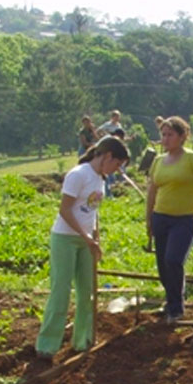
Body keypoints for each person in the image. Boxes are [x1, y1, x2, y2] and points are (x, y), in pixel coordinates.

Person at [36, 136, 129, 361]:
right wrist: (86, 237)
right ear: (106, 156)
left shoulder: (99, 178)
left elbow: (93, 212)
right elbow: (65, 210)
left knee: (86, 292)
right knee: (61, 291)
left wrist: (95, 239)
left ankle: (82, 340)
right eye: (117, 164)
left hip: (87, 241)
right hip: (65, 239)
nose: (117, 169)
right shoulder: (78, 175)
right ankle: (47, 345)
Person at [145, 116, 193, 323]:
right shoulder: (157, 162)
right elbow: (152, 192)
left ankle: (176, 306)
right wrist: (148, 220)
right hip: (160, 217)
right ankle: (171, 300)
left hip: (184, 219)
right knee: (162, 265)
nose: (165, 139)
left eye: (170, 135)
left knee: (173, 260)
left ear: (183, 137)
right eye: (163, 135)